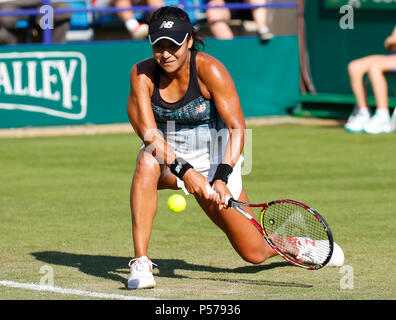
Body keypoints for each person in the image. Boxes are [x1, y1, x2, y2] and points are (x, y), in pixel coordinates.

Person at [126, 6, 342, 289]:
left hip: (218, 161)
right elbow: (149, 135)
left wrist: (221, 178)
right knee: (146, 162)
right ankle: (141, 262)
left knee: (253, 253)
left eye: (174, 45)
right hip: (171, 162)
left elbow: (237, 128)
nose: (166, 53)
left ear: (189, 41)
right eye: (159, 45)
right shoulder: (142, 75)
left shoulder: (210, 70)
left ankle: (291, 244)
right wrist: (187, 172)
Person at [344, 26, 396, 134]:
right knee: (354, 67)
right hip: (392, 56)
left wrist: (391, 40)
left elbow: (391, 40)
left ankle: (382, 115)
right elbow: (388, 44)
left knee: (375, 66)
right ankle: (363, 113)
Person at [0, 0, 72, 45]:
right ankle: (12, 55)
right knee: (5, 17)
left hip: (45, 4)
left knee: (63, 10)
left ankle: (56, 54)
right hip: (11, 4)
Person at [205, 0, 273, 41]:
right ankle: (230, 47)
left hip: (250, 7)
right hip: (226, 7)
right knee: (213, 10)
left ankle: (262, 30)